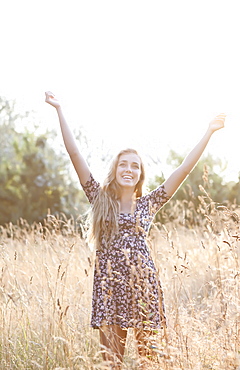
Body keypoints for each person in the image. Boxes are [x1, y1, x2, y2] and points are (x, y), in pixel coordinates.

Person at [45, 91, 225, 368]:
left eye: (134, 166)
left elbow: (184, 169)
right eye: (123, 164)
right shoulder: (99, 198)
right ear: (115, 170)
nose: (128, 169)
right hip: (109, 288)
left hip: (144, 287)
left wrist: (209, 132)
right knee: (111, 362)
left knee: (147, 361)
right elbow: (75, 153)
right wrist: (59, 110)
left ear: (140, 174)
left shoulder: (149, 204)